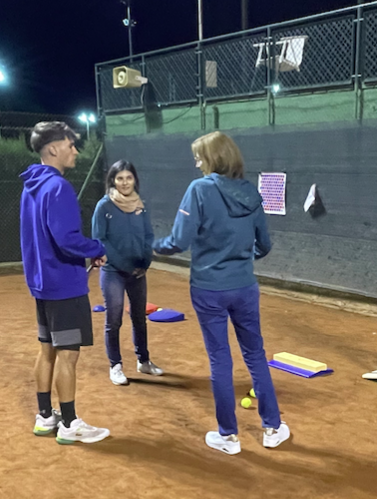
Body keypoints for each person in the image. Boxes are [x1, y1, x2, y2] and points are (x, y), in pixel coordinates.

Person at [153, 131, 289, 455]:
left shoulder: (199, 190)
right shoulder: (251, 192)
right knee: (255, 355)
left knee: (220, 360)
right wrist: (240, 259)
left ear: (213, 158)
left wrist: (149, 246)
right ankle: (272, 428)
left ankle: (228, 436)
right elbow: (264, 245)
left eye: (199, 157)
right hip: (244, 287)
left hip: (208, 288)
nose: (197, 164)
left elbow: (178, 241)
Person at [20, 121, 110, 444]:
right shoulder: (58, 187)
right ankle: (70, 424)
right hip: (64, 286)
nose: (75, 151)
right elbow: (67, 239)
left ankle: (46, 417)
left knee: (47, 350)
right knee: (68, 355)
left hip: (42, 284)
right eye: (71, 145)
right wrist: (97, 249)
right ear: (53, 149)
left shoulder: (31, 186)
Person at [92, 160, 163, 385]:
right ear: (113, 180)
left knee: (139, 318)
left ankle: (144, 361)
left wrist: (145, 261)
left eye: (128, 178)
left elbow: (148, 235)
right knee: (113, 320)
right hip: (113, 272)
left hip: (138, 272)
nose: (124, 183)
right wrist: (124, 264)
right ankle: (115, 365)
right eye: (120, 178)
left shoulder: (141, 206)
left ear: (134, 180)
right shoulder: (104, 206)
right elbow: (100, 239)